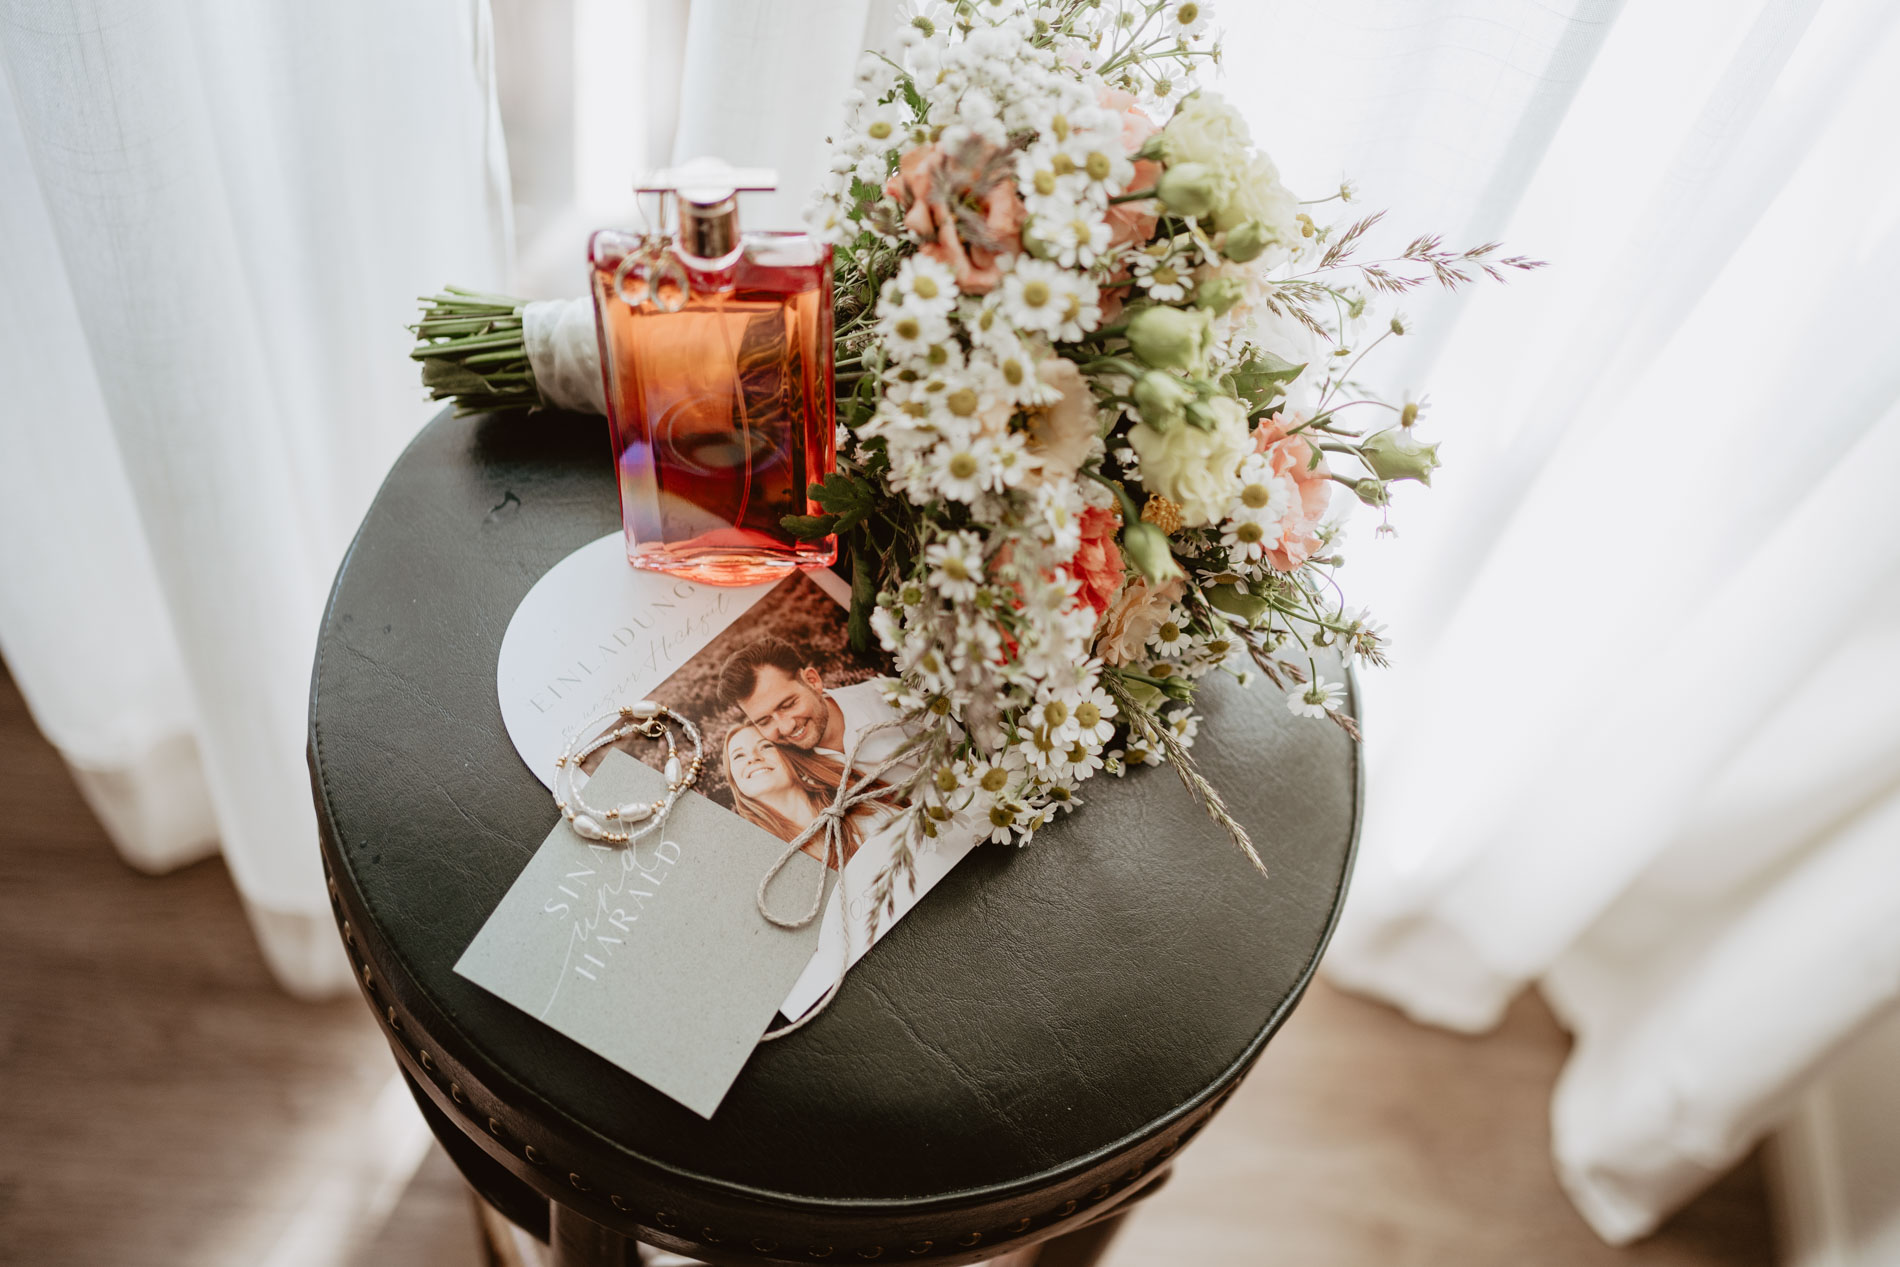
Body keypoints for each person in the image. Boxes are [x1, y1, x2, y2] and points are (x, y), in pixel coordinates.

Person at [715, 636, 913, 776]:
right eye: (764, 721)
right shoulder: (778, 769)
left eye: (788, 705)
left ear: (812, 681)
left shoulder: (887, 698)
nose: (786, 727)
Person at [722, 724, 899, 868]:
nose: (753, 758)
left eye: (765, 746)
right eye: (738, 756)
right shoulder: (761, 859)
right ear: (733, 779)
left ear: (789, 757)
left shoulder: (861, 808)